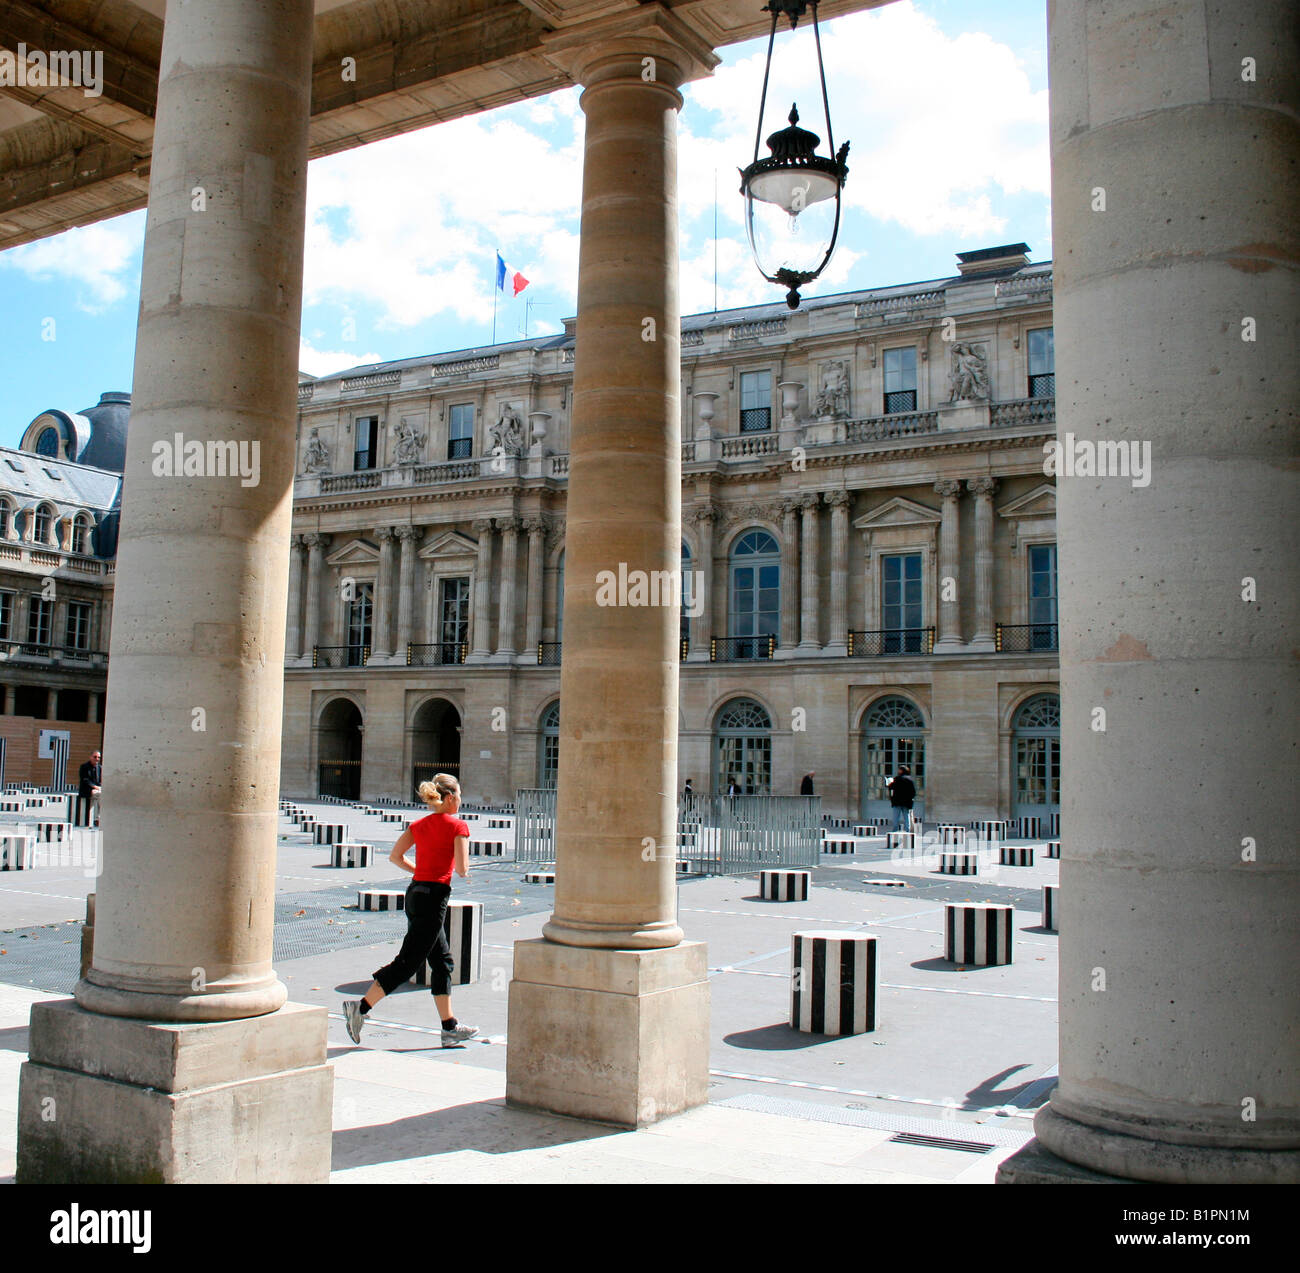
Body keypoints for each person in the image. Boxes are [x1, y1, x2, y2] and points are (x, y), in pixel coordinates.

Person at [342, 773, 479, 1048]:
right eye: (459, 796)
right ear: (450, 798)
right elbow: (463, 870)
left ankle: (449, 1028)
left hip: (415, 893)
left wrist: (420, 871)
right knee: (407, 963)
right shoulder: (458, 826)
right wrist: (461, 867)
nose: (461, 801)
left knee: (442, 962)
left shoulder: (418, 824)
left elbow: (395, 857)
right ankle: (361, 1008)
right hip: (434, 898)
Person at [887, 765, 916, 832]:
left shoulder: (897, 779)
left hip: (897, 801)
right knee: (907, 817)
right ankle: (907, 831)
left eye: (899, 770)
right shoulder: (910, 780)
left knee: (896, 818)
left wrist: (889, 784)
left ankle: (894, 831)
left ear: (901, 771)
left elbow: (891, 788)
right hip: (907, 802)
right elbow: (913, 792)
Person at [77, 750, 102, 826]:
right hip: (86, 789)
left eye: (98, 757)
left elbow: (100, 780)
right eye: (95, 757)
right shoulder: (84, 767)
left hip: (96, 788)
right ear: (90, 757)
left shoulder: (100, 768)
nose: (97, 759)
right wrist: (95, 787)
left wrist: (99, 787)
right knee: (100, 795)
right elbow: (85, 780)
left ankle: (98, 817)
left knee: (103, 794)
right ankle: (97, 818)